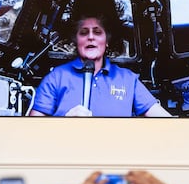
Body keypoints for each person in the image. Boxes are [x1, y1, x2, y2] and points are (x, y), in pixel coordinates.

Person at [29, 8, 171, 117]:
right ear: (76, 41)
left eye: (97, 32)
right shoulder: (56, 77)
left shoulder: (128, 79)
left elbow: (166, 122)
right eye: (84, 32)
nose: (91, 37)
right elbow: (32, 133)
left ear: (107, 41)